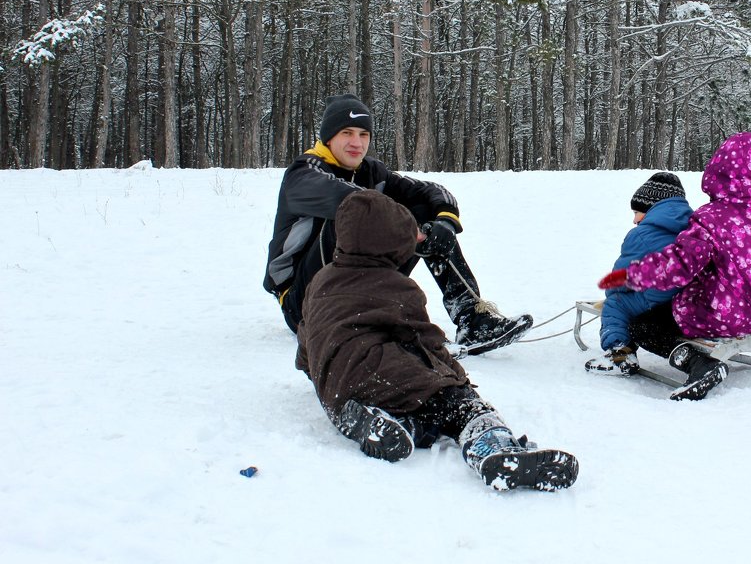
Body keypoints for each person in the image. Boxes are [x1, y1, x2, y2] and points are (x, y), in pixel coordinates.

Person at [296, 189, 578, 491]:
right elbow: (424, 340)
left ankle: (388, 422)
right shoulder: (397, 287)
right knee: (454, 405)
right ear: (392, 243)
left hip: (334, 384)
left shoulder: (320, 280)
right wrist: (455, 380)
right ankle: (495, 448)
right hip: (379, 371)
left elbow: (305, 344)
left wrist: (323, 373)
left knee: (415, 406)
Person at [264, 93, 532, 353]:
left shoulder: (371, 172)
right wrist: (408, 230)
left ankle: (471, 318)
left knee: (423, 210)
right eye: (347, 133)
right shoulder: (304, 173)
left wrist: (444, 225)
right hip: (304, 302)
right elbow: (352, 201)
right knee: (356, 214)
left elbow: (432, 191)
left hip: (360, 293)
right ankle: (378, 319)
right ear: (329, 136)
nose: (356, 142)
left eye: (363, 134)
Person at [597, 132, 751, 401]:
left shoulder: (707, 220)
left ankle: (697, 363)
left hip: (712, 315)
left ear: (716, 170)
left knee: (645, 326)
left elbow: (678, 266)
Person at [584, 172, 693, 376]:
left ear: (652, 209)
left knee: (616, 302)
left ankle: (619, 351)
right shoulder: (693, 229)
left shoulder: (641, 235)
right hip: (684, 301)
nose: (634, 220)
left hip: (654, 302)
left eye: (637, 212)